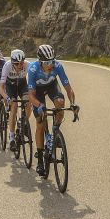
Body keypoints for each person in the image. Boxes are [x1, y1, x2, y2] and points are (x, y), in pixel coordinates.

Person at [27, 44, 77, 177]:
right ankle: (40, 160)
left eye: (52, 61)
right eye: (47, 62)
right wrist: (39, 105)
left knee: (60, 104)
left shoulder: (58, 66)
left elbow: (68, 88)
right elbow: (31, 96)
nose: (51, 64)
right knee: (40, 122)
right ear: (40, 61)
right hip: (37, 92)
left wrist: (73, 103)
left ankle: (54, 132)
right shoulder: (32, 69)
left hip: (51, 86)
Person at [0, 49, 28, 151]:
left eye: (21, 63)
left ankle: (22, 122)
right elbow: (1, 88)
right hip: (10, 86)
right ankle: (11, 138)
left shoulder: (28, 65)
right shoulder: (6, 66)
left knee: (28, 102)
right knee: (14, 106)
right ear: (12, 62)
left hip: (22, 84)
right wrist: (7, 98)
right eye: (17, 63)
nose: (20, 66)